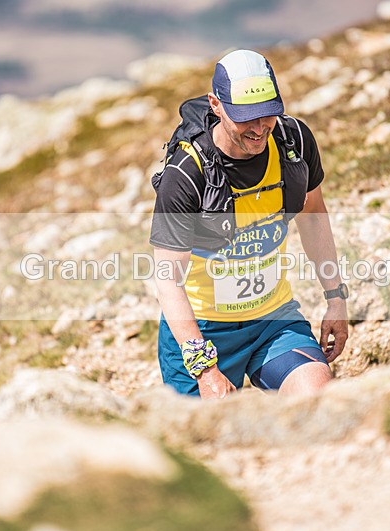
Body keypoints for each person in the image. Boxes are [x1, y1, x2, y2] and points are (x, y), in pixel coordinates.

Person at [149, 49, 348, 399]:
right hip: (202, 330)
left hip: (274, 321)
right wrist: (205, 368)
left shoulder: (294, 143)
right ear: (216, 105)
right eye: (245, 117)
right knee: (205, 444)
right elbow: (167, 282)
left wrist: (335, 298)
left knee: (318, 398)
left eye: (267, 114)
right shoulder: (186, 173)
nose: (259, 129)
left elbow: (313, 214)